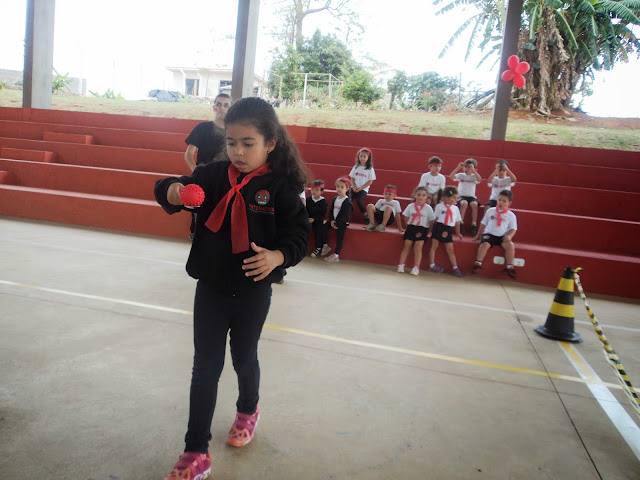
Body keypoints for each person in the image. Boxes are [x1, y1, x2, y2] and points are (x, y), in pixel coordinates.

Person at [155, 97, 310, 480]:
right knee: (205, 367)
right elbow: (167, 187)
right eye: (231, 143)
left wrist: (277, 257)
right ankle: (196, 451)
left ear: (270, 143)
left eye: (248, 143)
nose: (238, 152)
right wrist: (176, 193)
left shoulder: (282, 188)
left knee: (243, 358)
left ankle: (247, 409)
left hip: (253, 292)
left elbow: (299, 238)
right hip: (210, 288)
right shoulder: (212, 175)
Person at [184, 93, 232, 239]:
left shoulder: (234, 132)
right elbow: (188, 154)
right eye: (219, 104)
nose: (222, 108)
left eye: (226, 105)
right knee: (199, 218)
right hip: (203, 181)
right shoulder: (202, 128)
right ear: (214, 107)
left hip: (226, 181)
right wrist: (197, 172)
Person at [472, 189, 518, 279]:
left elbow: (513, 229)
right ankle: (478, 263)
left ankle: (509, 267)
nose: (501, 202)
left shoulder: (511, 215)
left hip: (502, 236)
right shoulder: (490, 211)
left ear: (509, 203)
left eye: (504, 201)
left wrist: (509, 236)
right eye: (499, 200)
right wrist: (478, 235)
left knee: (510, 245)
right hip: (489, 234)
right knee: (484, 244)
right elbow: (483, 223)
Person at [398, 186, 435, 276]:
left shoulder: (428, 208)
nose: (421, 197)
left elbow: (431, 220)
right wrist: (408, 226)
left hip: (422, 229)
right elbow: (405, 217)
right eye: (418, 195)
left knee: (418, 247)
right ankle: (401, 265)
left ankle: (416, 267)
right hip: (411, 227)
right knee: (407, 245)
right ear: (414, 195)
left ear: (426, 197)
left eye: (423, 195)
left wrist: (428, 231)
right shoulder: (410, 206)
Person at [428, 186, 464, 277]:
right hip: (439, 227)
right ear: (445, 197)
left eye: (456, 198)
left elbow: (457, 222)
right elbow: (434, 219)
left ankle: (455, 267)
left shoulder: (455, 208)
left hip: (448, 229)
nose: (455, 200)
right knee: (434, 246)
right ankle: (432, 265)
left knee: (450, 249)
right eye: (453, 197)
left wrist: (458, 232)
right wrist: (430, 230)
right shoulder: (439, 206)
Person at [321, 177, 353, 263]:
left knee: (340, 238)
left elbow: (346, 216)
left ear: (347, 188)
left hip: (342, 223)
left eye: (342, 187)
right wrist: (331, 220)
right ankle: (325, 245)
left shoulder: (347, 201)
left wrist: (338, 224)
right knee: (323, 227)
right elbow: (331, 210)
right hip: (333, 221)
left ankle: (336, 255)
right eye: (337, 186)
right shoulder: (335, 199)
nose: (339, 189)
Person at [450, 158, 481, 235]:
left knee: (474, 204)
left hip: (471, 196)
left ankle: (474, 224)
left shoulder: (474, 176)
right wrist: (458, 168)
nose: (466, 169)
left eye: (469, 167)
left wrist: (474, 171)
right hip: (462, 196)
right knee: (464, 203)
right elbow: (451, 176)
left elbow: (479, 180)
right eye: (465, 167)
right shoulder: (461, 175)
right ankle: (461, 222)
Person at [348, 147, 376, 222]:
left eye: (364, 156)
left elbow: (370, 181)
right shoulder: (356, 167)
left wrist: (361, 188)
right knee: (348, 200)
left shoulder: (370, 169)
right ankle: (347, 214)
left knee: (359, 200)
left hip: (363, 189)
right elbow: (352, 178)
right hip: (354, 187)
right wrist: (354, 187)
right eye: (361, 156)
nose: (362, 158)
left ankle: (365, 214)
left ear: (368, 158)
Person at [306, 179, 329, 257]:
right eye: (312, 189)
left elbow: (322, 214)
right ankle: (304, 246)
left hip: (318, 220)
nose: (314, 191)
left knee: (318, 231)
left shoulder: (323, 202)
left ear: (321, 191)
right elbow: (305, 210)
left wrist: (314, 219)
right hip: (308, 219)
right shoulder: (308, 199)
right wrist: (308, 218)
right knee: (304, 229)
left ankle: (318, 247)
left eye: (316, 190)